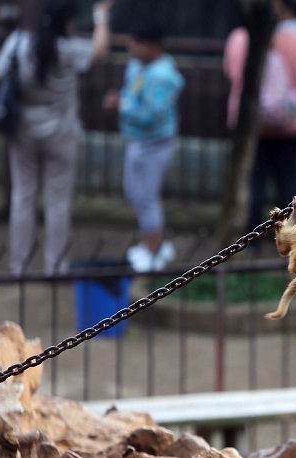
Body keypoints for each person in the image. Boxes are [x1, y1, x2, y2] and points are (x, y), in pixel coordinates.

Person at [0, 0, 113, 276]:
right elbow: (100, 49)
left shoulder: (20, 42)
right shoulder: (69, 50)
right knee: (58, 201)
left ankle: (19, 266)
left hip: (23, 130)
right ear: (68, 23)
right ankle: (55, 266)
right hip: (61, 132)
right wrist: (101, 16)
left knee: (23, 197)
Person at [223, 0, 296, 233]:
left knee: (253, 181)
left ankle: (253, 235)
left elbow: (232, 73)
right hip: (291, 125)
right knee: (288, 181)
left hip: (251, 124)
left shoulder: (239, 39)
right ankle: (290, 233)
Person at [103, 22, 185, 273]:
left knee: (146, 198)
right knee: (134, 193)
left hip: (155, 144)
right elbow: (132, 93)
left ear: (153, 47)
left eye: (138, 44)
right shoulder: (138, 66)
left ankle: (154, 250)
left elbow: (152, 114)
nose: (132, 48)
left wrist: (122, 105)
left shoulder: (162, 76)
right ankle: (152, 242)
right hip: (137, 141)